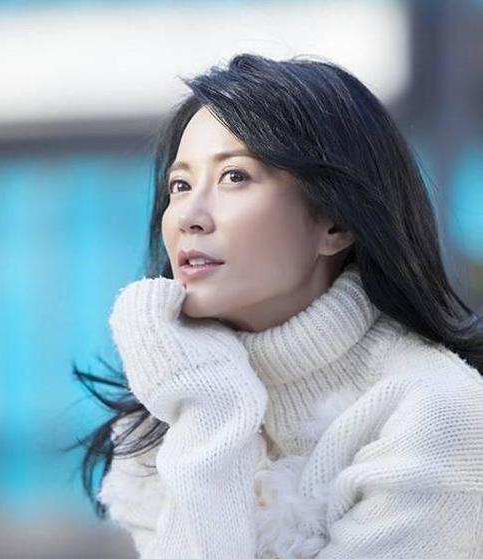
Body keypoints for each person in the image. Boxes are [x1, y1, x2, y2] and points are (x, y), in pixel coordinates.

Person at [69, 53, 483, 558]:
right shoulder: (171, 417)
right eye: (180, 185)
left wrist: (213, 414)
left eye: (234, 177)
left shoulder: (434, 413)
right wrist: (206, 409)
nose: (189, 216)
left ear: (335, 222)